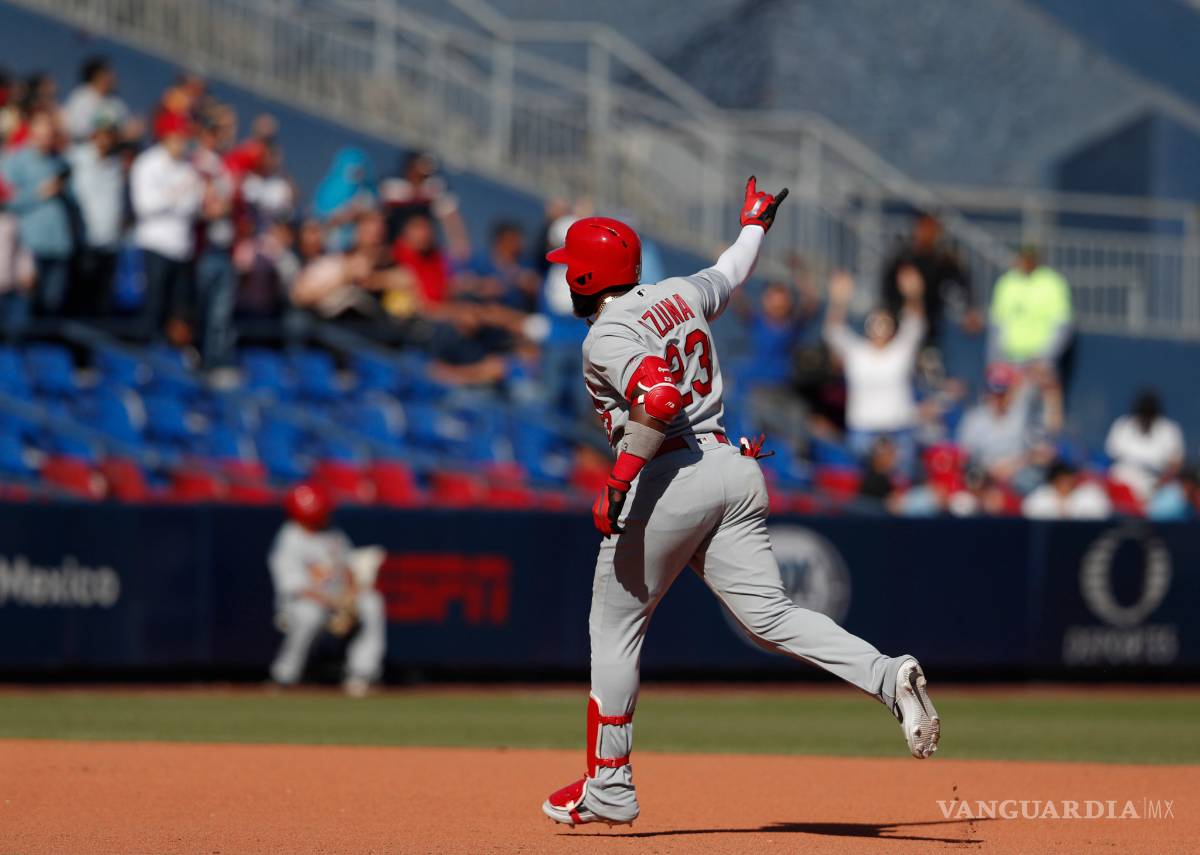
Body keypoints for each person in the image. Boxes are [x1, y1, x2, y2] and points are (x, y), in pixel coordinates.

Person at [539, 178, 938, 829]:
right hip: (731, 465)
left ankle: (609, 782)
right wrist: (755, 223)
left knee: (615, 627)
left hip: (667, 479)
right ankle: (887, 675)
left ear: (584, 278)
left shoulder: (604, 336)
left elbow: (660, 401)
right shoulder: (676, 293)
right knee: (772, 617)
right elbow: (731, 269)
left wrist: (617, 482)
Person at [268, 483, 387, 697]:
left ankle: (362, 673)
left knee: (371, 602)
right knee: (310, 614)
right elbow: (296, 587)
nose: (326, 513)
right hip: (299, 605)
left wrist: (351, 597)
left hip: (337, 600)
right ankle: (285, 676)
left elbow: (348, 568)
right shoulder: (289, 539)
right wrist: (336, 603)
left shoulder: (332, 532)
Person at [824, 266, 925, 475]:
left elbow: (915, 324)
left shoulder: (900, 350)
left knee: (902, 484)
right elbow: (833, 331)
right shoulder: (856, 351)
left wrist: (913, 295)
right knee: (863, 486)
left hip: (899, 430)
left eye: (885, 322)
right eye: (875, 322)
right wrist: (839, 302)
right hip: (863, 431)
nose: (880, 328)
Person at [130, 111, 203, 341]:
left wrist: (175, 199)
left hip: (181, 248)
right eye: (178, 136)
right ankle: (147, 360)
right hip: (155, 245)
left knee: (179, 313)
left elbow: (194, 204)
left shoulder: (188, 167)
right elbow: (145, 206)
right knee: (153, 307)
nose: (182, 142)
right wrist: (174, 196)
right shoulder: (147, 164)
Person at [989, 247, 1071, 431]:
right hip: (1012, 361)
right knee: (1008, 415)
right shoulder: (1007, 282)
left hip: (1042, 363)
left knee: (1049, 416)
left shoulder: (1052, 283)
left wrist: (1045, 358)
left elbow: (1063, 325)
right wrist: (996, 361)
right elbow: (997, 325)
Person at [0, 110, 74, 316]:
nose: (47, 134)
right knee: (26, 309)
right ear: (32, 129)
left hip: (59, 245)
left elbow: (71, 200)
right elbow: (7, 200)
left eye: (50, 129)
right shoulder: (15, 161)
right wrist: (40, 193)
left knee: (53, 305)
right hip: (28, 246)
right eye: (42, 128)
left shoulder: (61, 162)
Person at [880, 214, 977, 347]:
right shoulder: (904, 258)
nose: (929, 233)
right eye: (925, 228)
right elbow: (887, 289)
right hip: (901, 327)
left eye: (933, 229)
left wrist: (970, 309)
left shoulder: (942, 260)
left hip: (930, 329)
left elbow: (962, 282)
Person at [67, 117, 125, 315]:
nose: (106, 140)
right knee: (81, 296)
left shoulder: (116, 164)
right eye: (102, 134)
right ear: (93, 135)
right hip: (84, 240)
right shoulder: (76, 158)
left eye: (110, 135)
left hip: (110, 242)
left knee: (102, 299)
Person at [1104, 389, 1184, 503]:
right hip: (1119, 489)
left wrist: (1161, 485)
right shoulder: (1122, 426)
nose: (1145, 417)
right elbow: (1108, 459)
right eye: (1143, 413)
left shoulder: (1169, 430)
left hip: (1155, 490)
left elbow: (1176, 464)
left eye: (1149, 413)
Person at [62, 56, 132, 144]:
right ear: (97, 76)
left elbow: (126, 128)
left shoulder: (117, 103)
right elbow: (75, 129)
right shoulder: (81, 97)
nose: (113, 77)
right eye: (108, 73)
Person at [1022, 459, 1111, 520]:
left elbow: (1101, 513)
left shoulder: (1090, 494)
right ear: (1053, 481)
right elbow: (1029, 512)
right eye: (1061, 480)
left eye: (1068, 478)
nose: (1065, 483)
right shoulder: (1040, 496)